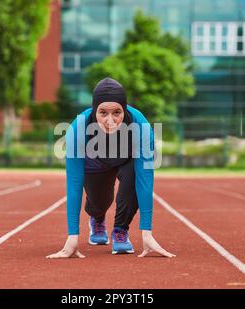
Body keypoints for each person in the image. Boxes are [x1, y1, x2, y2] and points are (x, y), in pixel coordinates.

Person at [46, 77, 175, 259]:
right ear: (94, 110)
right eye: (103, 113)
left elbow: (145, 178)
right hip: (95, 163)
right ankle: (97, 218)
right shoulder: (77, 130)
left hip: (127, 160)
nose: (110, 120)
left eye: (117, 112)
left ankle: (120, 231)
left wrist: (147, 232)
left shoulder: (141, 126)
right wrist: (72, 236)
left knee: (134, 179)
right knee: (99, 202)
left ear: (125, 109)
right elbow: (74, 184)